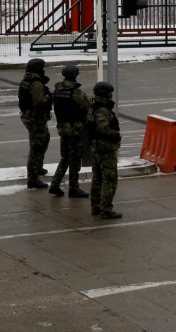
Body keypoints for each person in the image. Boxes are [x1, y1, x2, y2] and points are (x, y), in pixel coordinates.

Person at [49, 64, 90, 198]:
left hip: (62, 127)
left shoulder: (57, 90)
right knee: (75, 159)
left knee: (65, 158)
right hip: (74, 129)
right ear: (75, 75)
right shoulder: (76, 92)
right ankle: (74, 188)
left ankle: (55, 184)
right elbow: (84, 107)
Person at [88, 81, 123, 219]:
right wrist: (116, 134)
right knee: (109, 179)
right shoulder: (102, 110)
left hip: (96, 148)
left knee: (97, 179)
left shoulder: (93, 107)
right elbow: (102, 129)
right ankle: (106, 209)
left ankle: (96, 206)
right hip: (105, 148)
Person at [18, 58, 53, 189]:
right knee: (36, 147)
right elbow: (39, 102)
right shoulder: (36, 83)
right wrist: (50, 96)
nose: (45, 69)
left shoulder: (26, 80)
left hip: (29, 116)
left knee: (45, 138)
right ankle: (33, 178)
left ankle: (38, 167)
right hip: (35, 118)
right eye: (43, 67)